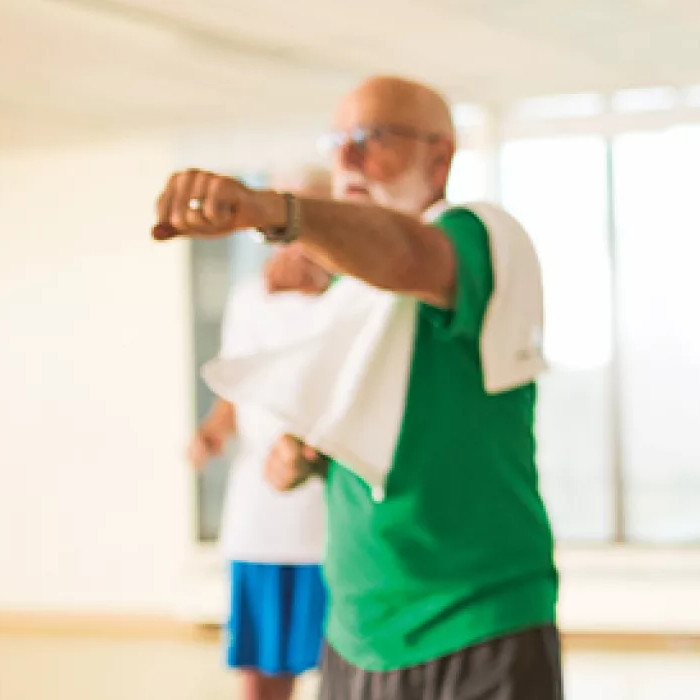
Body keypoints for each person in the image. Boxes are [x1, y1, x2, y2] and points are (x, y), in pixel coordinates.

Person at [153, 76, 560, 700]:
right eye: (338, 139)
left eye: (371, 139)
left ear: (440, 157)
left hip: (481, 618)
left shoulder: (480, 237)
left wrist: (276, 211)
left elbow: (405, 256)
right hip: (357, 629)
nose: (344, 157)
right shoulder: (345, 295)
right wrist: (306, 457)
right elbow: (377, 428)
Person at [187, 168, 339, 700]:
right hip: (260, 507)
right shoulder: (250, 297)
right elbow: (237, 385)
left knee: (343, 666)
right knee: (259, 662)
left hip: (330, 506)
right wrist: (211, 432)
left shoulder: (352, 296)